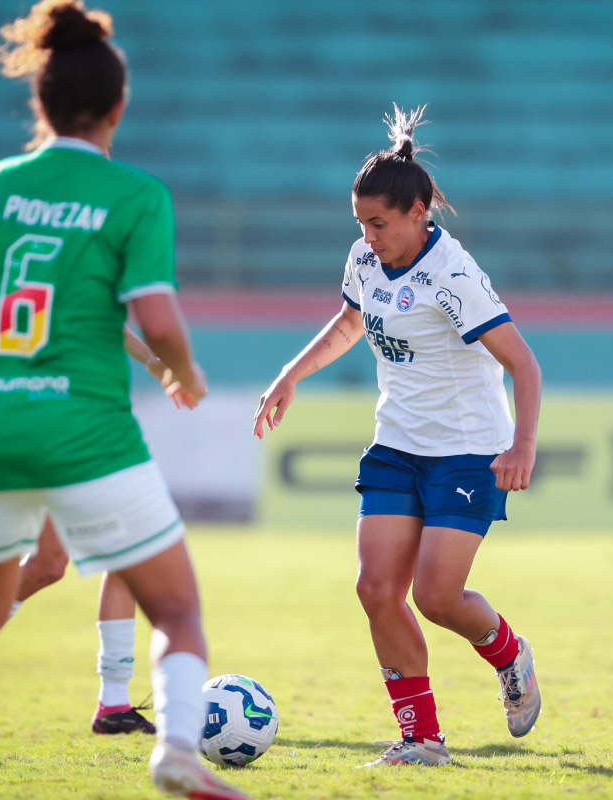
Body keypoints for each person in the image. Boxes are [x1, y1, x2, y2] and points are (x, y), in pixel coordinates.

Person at [0, 2, 247, 798]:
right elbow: (156, 316)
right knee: (178, 609)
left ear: (40, 100)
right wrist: (184, 373)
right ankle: (177, 750)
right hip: (86, 433)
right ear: (118, 108)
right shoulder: (134, 196)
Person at [253, 105, 543, 767]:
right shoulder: (366, 257)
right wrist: (290, 375)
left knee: (436, 598)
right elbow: (349, 323)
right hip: (396, 445)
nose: (368, 236)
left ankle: (509, 654)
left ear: (417, 212)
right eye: (361, 224)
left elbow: (523, 363)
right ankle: (422, 738)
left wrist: (523, 445)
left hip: (467, 451)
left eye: (379, 224)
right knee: (375, 590)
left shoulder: (454, 276)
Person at [10, 327, 199, 738]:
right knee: (57, 563)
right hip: (57, 425)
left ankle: (113, 703)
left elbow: (104, 318)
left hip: (78, 424)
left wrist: (153, 362)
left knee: (79, 560)